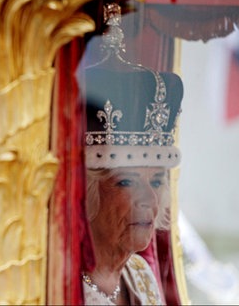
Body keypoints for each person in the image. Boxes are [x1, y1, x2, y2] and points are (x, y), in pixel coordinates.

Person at [81, 60, 184, 304]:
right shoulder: (54, 281)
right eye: (127, 182)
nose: (150, 199)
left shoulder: (139, 273)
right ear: (86, 192)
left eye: (157, 182)